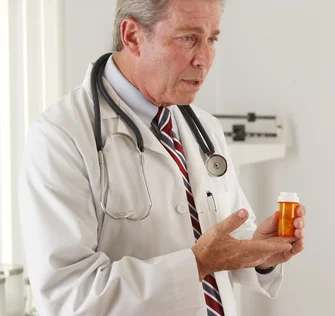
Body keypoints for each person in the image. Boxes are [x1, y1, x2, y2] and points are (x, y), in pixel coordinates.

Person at [18, 0, 306, 315]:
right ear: (132, 36)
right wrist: (196, 264)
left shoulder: (204, 128)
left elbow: (221, 235)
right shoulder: (62, 136)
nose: (205, 59)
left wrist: (257, 254)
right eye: (188, 38)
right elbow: (67, 296)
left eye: (212, 39)